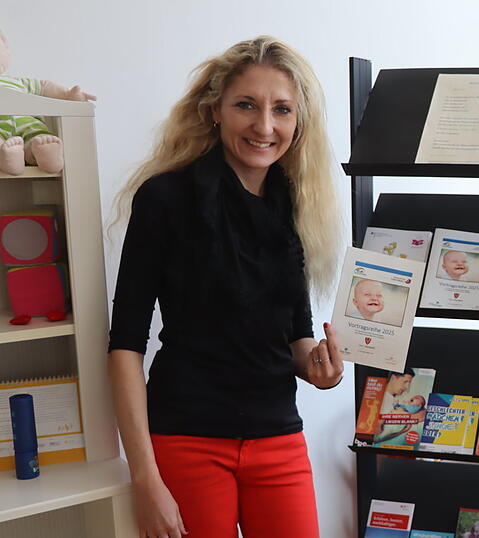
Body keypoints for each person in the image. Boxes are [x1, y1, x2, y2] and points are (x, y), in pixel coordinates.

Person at [106, 36, 345, 538]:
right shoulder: (165, 198)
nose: (264, 126)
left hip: (277, 437)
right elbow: (125, 345)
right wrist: (145, 478)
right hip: (185, 438)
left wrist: (318, 367)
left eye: (282, 109)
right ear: (215, 110)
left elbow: (296, 335)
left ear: (298, 122)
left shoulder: (294, 204)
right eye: (246, 106)